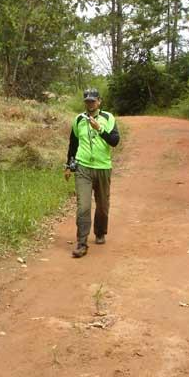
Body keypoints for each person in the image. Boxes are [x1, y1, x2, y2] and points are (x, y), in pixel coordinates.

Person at [64, 89, 120, 258]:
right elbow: (73, 145)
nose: (90, 104)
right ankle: (81, 243)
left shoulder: (108, 118)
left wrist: (100, 129)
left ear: (99, 101)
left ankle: (100, 232)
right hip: (83, 167)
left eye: (93, 101)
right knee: (83, 207)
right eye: (87, 101)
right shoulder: (78, 120)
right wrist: (68, 165)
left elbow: (115, 141)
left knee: (102, 206)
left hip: (103, 167)